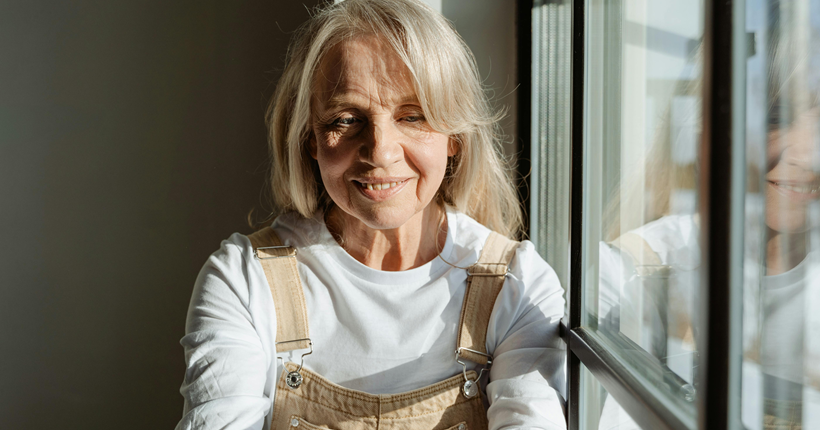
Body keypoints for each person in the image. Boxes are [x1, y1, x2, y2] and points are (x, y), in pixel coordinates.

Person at [174, 1, 567, 429]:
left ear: (454, 136)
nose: (380, 150)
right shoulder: (245, 280)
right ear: (310, 137)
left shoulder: (519, 285)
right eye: (346, 119)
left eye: (412, 116)